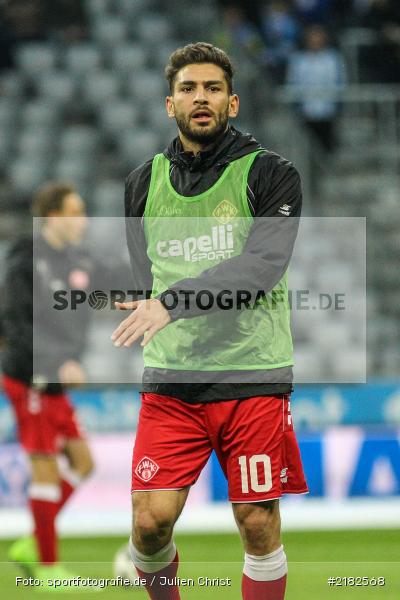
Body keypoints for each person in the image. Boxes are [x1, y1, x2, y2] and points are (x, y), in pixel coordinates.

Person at [112, 42, 308, 600]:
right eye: (189, 89)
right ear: (168, 104)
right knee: (149, 524)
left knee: (257, 523)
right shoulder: (140, 183)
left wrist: (168, 302)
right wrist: (133, 300)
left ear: (234, 102)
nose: (202, 98)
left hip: (253, 376)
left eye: (213, 89)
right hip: (172, 381)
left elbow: (261, 267)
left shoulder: (271, 173)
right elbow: (143, 276)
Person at [1, 182, 94, 584]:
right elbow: (16, 323)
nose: (84, 221)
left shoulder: (70, 262)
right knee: (44, 470)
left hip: (51, 377)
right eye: (76, 212)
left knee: (83, 462)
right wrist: (56, 361)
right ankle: (49, 568)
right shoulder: (26, 257)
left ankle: (30, 541)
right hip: (29, 374)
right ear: (54, 217)